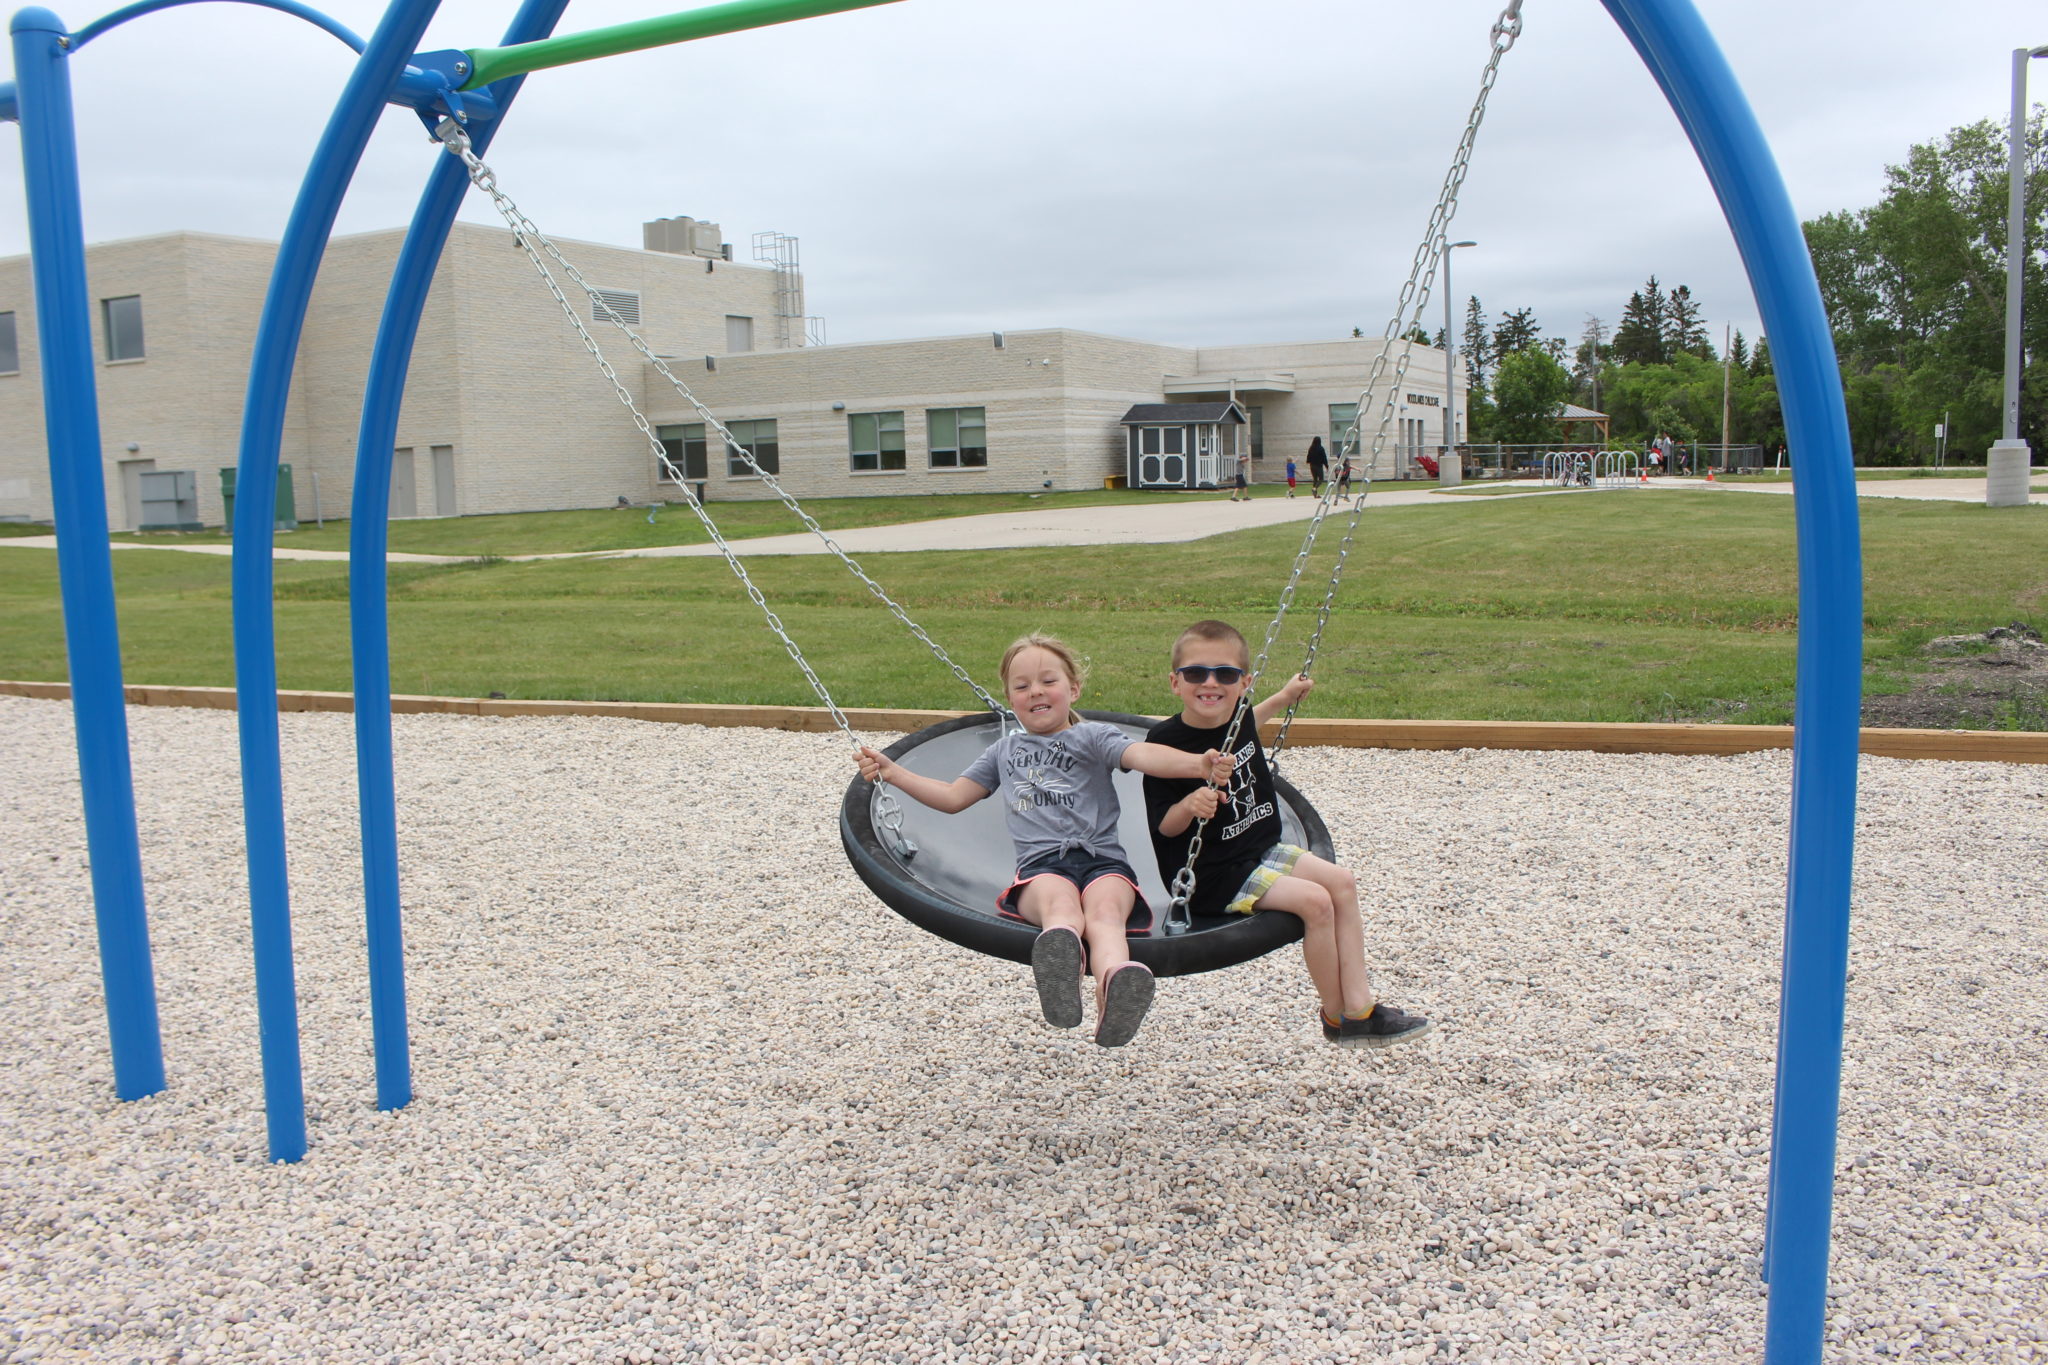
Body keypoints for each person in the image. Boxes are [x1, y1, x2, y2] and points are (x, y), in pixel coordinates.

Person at [855, 634, 1231, 1048]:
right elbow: (952, 797)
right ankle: (1061, 976)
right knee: (1061, 909)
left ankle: (1116, 987)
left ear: (1073, 689)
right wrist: (892, 773)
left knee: (1106, 914)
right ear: (1010, 699)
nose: (1035, 691)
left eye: (1047, 681)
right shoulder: (1003, 752)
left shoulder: (1093, 737)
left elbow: (1143, 756)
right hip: (1042, 867)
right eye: (1021, 686)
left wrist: (1197, 764)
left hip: (1103, 862)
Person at [1142, 620, 1433, 1048]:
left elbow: (1250, 721)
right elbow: (1164, 827)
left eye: (1224, 674)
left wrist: (1284, 695)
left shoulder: (1237, 714)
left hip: (1261, 847)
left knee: (1342, 882)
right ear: (1175, 682)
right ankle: (1336, 1016)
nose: (1210, 683)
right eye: (1195, 673)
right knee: (1316, 903)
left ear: (1244, 682)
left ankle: (1361, 1006)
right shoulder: (1164, 742)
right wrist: (1189, 806)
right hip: (1213, 875)